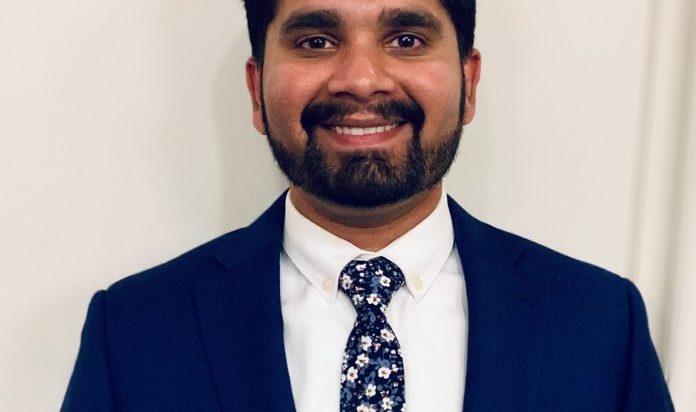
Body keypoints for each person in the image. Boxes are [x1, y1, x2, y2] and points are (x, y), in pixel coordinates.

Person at [62, 0, 674, 411]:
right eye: (315, 40)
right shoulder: (135, 330)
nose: (361, 78)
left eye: (406, 39)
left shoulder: (598, 323)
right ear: (256, 89)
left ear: (469, 84)